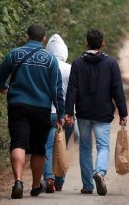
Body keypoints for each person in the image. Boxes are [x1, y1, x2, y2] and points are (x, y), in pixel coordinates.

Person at [0, 24, 65, 199]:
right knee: (38, 148)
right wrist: (61, 114)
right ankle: (35, 186)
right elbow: (56, 90)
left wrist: (4, 86)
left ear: (27, 36)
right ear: (43, 39)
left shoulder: (14, 54)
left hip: (17, 105)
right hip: (41, 108)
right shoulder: (50, 59)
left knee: (18, 142)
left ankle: (18, 181)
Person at [65, 28, 128, 196]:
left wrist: (69, 112)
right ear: (103, 43)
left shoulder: (78, 62)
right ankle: (99, 172)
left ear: (86, 43)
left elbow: (72, 89)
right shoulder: (111, 63)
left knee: (85, 147)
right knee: (103, 146)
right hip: (103, 113)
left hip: (83, 113)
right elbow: (117, 90)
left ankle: (87, 185)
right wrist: (123, 113)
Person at [42, 34, 73, 193]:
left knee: (47, 146)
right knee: (62, 146)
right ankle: (59, 181)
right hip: (65, 114)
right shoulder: (70, 69)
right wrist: (71, 113)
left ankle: (48, 178)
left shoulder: (43, 67)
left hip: (47, 113)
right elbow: (74, 93)